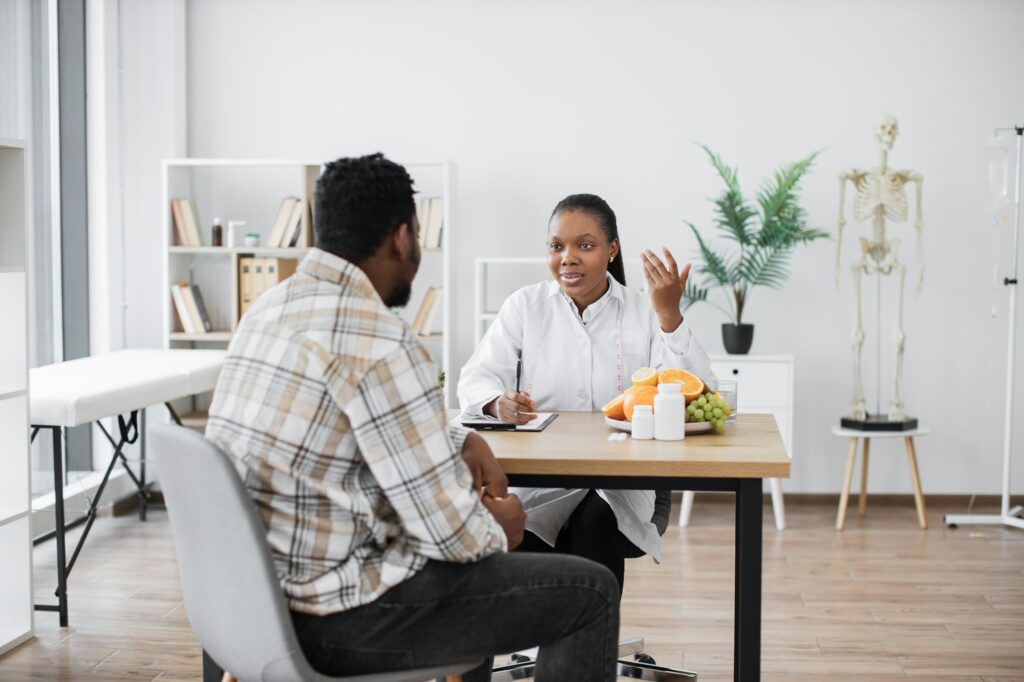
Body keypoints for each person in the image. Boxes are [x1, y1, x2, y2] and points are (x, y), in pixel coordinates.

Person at [206, 157, 620, 682]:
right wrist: (506, 525)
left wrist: (456, 438)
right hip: (338, 619)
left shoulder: (266, 310)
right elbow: (453, 539)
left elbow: (352, 421)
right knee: (591, 591)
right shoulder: (380, 341)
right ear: (403, 237)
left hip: (245, 607)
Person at [458, 193, 716, 593]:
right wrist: (497, 401)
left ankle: (586, 653)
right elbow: (476, 377)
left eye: (585, 245)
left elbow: (697, 393)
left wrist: (669, 315)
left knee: (595, 518)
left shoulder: (643, 309)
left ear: (612, 249)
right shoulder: (524, 306)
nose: (568, 258)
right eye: (557, 246)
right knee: (514, 524)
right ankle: (563, 647)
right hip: (541, 479)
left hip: (619, 482)